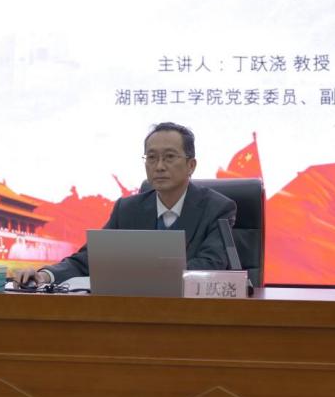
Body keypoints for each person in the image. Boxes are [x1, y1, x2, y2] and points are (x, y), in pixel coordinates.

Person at [14, 122, 237, 286]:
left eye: (169, 157)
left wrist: (140, 273)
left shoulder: (218, 208)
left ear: (191, 165)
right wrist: (45, 275)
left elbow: (211, 265)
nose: (159, 166)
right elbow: (90, 259)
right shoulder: (128, 209)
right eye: (151, 157)